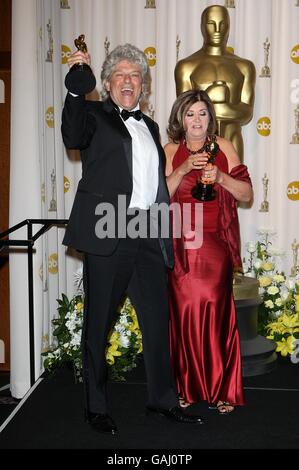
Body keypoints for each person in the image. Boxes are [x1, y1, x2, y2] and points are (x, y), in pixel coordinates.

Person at [61, 43, 203, 435]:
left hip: (147, 231)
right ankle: (96, 407)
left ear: (143, 84)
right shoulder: (91, 115)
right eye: (120, 74)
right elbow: (72, 133)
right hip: (109, 228)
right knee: (98, 323)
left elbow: (155, 184)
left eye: (135, 74)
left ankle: (162, 400)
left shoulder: (151, 126)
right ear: (106, 83)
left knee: (158, 322)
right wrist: (76, 87)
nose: (128, 80)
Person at [164, 89, 253, 414]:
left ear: (209, 118)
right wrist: (185, 166)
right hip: (180, 246)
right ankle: (186, 387)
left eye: (202, 113)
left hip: (214, 244)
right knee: (183, 315)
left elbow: (245, 194)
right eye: (190, 114)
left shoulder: (224, 146)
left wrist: (222, 177)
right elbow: (161, 195)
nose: (197, 120)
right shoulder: (171, 150)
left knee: (216, 313)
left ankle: (222, 389)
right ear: (180, 119)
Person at [175, 4, 256, 162]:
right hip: (197, 141)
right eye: (211, 24)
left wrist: (213, 105)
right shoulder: (186, 66)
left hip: (232, 138)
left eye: (223, 24)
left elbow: (247, 112)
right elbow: (185, 112)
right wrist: (222, 105)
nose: (218, 30)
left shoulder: (244, 67)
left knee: (235, 184)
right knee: (198, 185)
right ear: (202, 27)